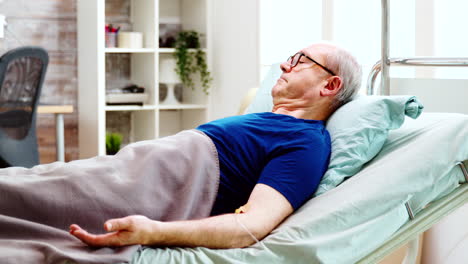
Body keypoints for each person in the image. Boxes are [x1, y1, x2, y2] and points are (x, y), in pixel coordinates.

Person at [0, 42, 361, 262]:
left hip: (153, 187)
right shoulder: (269, 120)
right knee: (25, 185)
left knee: (23, 193)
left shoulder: (306, 143)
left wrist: (152, 232)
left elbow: (250, 226)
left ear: (330, 84)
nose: (285, 65)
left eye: (301, 60)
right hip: (129, 168)